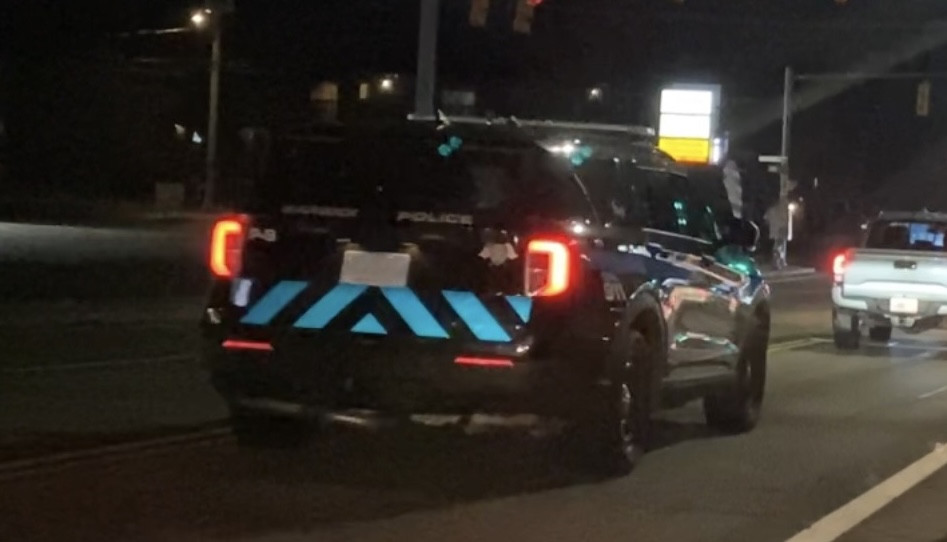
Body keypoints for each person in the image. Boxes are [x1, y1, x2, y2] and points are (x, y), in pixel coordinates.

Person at [765, 196, 789, 269]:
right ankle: (777, 262)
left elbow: (766, 219)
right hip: (781, 231)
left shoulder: (771, 210)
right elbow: (785, 221)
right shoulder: (783, 210)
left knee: (778, 247)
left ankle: (779, 262)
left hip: (774, 231)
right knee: (778, 247)